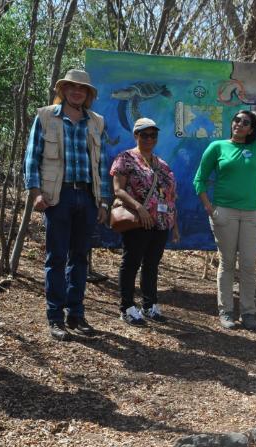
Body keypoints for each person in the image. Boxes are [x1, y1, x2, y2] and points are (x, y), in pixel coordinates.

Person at [24, 69, 110, 341]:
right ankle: (55, 317)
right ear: (63, 90)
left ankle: (76, 314)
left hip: (87, 196)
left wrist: (103, 201)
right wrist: (35, 193)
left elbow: (102, 164)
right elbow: (32, 157)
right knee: (57, 257)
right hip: (57, 196)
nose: (77, 92)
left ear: (88, 94)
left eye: (82, 89)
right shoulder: (46, 116)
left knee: (80, 257)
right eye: (72, 87)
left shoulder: (96, 121)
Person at [194, 110, 256, 330]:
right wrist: (209, 207)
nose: (239, 124)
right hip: (224, 212)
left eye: (246, 122)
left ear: (251, 129)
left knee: (248, 265)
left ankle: (248, 313)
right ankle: (226, 312)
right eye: (237, 120)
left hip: (252, 214)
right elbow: (199, 179)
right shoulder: (217, 147)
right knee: (227, 263)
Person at [110, 118, 180, 325]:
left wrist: (174, 225)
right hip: (138, 221)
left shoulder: (162, 164)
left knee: (152, 264)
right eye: (144, 135)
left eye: (153, 135)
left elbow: (171, 197)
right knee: (131, 262)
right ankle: (127, 307)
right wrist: (139, 208)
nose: (149, 139)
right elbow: (118, 190)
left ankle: (149, 305)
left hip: (161, 222)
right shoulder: (125, 159)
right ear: (136, 135)